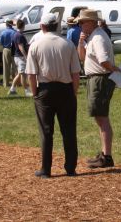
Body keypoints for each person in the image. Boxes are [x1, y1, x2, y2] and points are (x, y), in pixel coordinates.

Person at [26, 13, 81, 178]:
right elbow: (76, 73)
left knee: (46, 131)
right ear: (57, 26)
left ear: (42, 26)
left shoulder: (35, 45)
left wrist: (35, 93)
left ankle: (46, 169)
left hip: (45, 90)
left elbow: (31, 74)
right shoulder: (68, 44)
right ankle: (71, 168)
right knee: (69, 130)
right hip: (66, 89)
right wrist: (74, 92)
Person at [77, 9, 120, 169]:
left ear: (92, 22)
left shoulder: (99, 38)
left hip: (100, 79)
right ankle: (104, 154)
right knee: (99, 117)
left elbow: (103, 60)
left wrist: (113, 69)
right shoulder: (94, 36)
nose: (80, 25)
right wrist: (81, 42)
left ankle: (107, 156)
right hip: (96, 78)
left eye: (82, 22)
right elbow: (82, 57)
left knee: (101, 117)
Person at [9, 19, 31, 96]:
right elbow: (21, 47)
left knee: (19, 74)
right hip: (20, 57)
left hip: (17, 56)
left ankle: (12, 89)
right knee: (23, 74)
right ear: (23, 26)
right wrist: (26, 56)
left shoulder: (15, 34)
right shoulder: (19, 35)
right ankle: (26, 91)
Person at [0, 19, 16, 88]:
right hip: (13, 49)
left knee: (6, 67)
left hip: (6, 49)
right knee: (15, 67)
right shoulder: (14, 32)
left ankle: (6, 83)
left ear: (6, 24)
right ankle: (16, 82)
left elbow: (1, 43)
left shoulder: (3, 32)